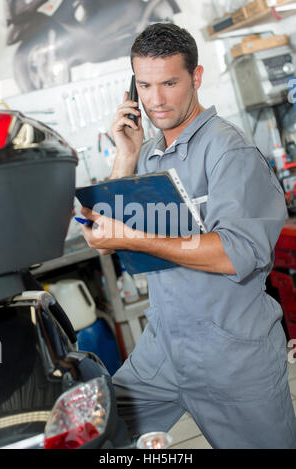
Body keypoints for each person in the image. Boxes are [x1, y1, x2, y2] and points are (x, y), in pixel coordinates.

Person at [81, 23, 296, 449]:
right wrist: (125, 157)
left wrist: (135, 239)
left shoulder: (228, 151)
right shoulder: (145, 153)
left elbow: (234, 254)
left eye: (169, 83)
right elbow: (96, 231)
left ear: (195, 78)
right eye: (144, 85)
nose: (155, 99)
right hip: (163, 349)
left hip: (232, 357)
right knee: (95, 436)